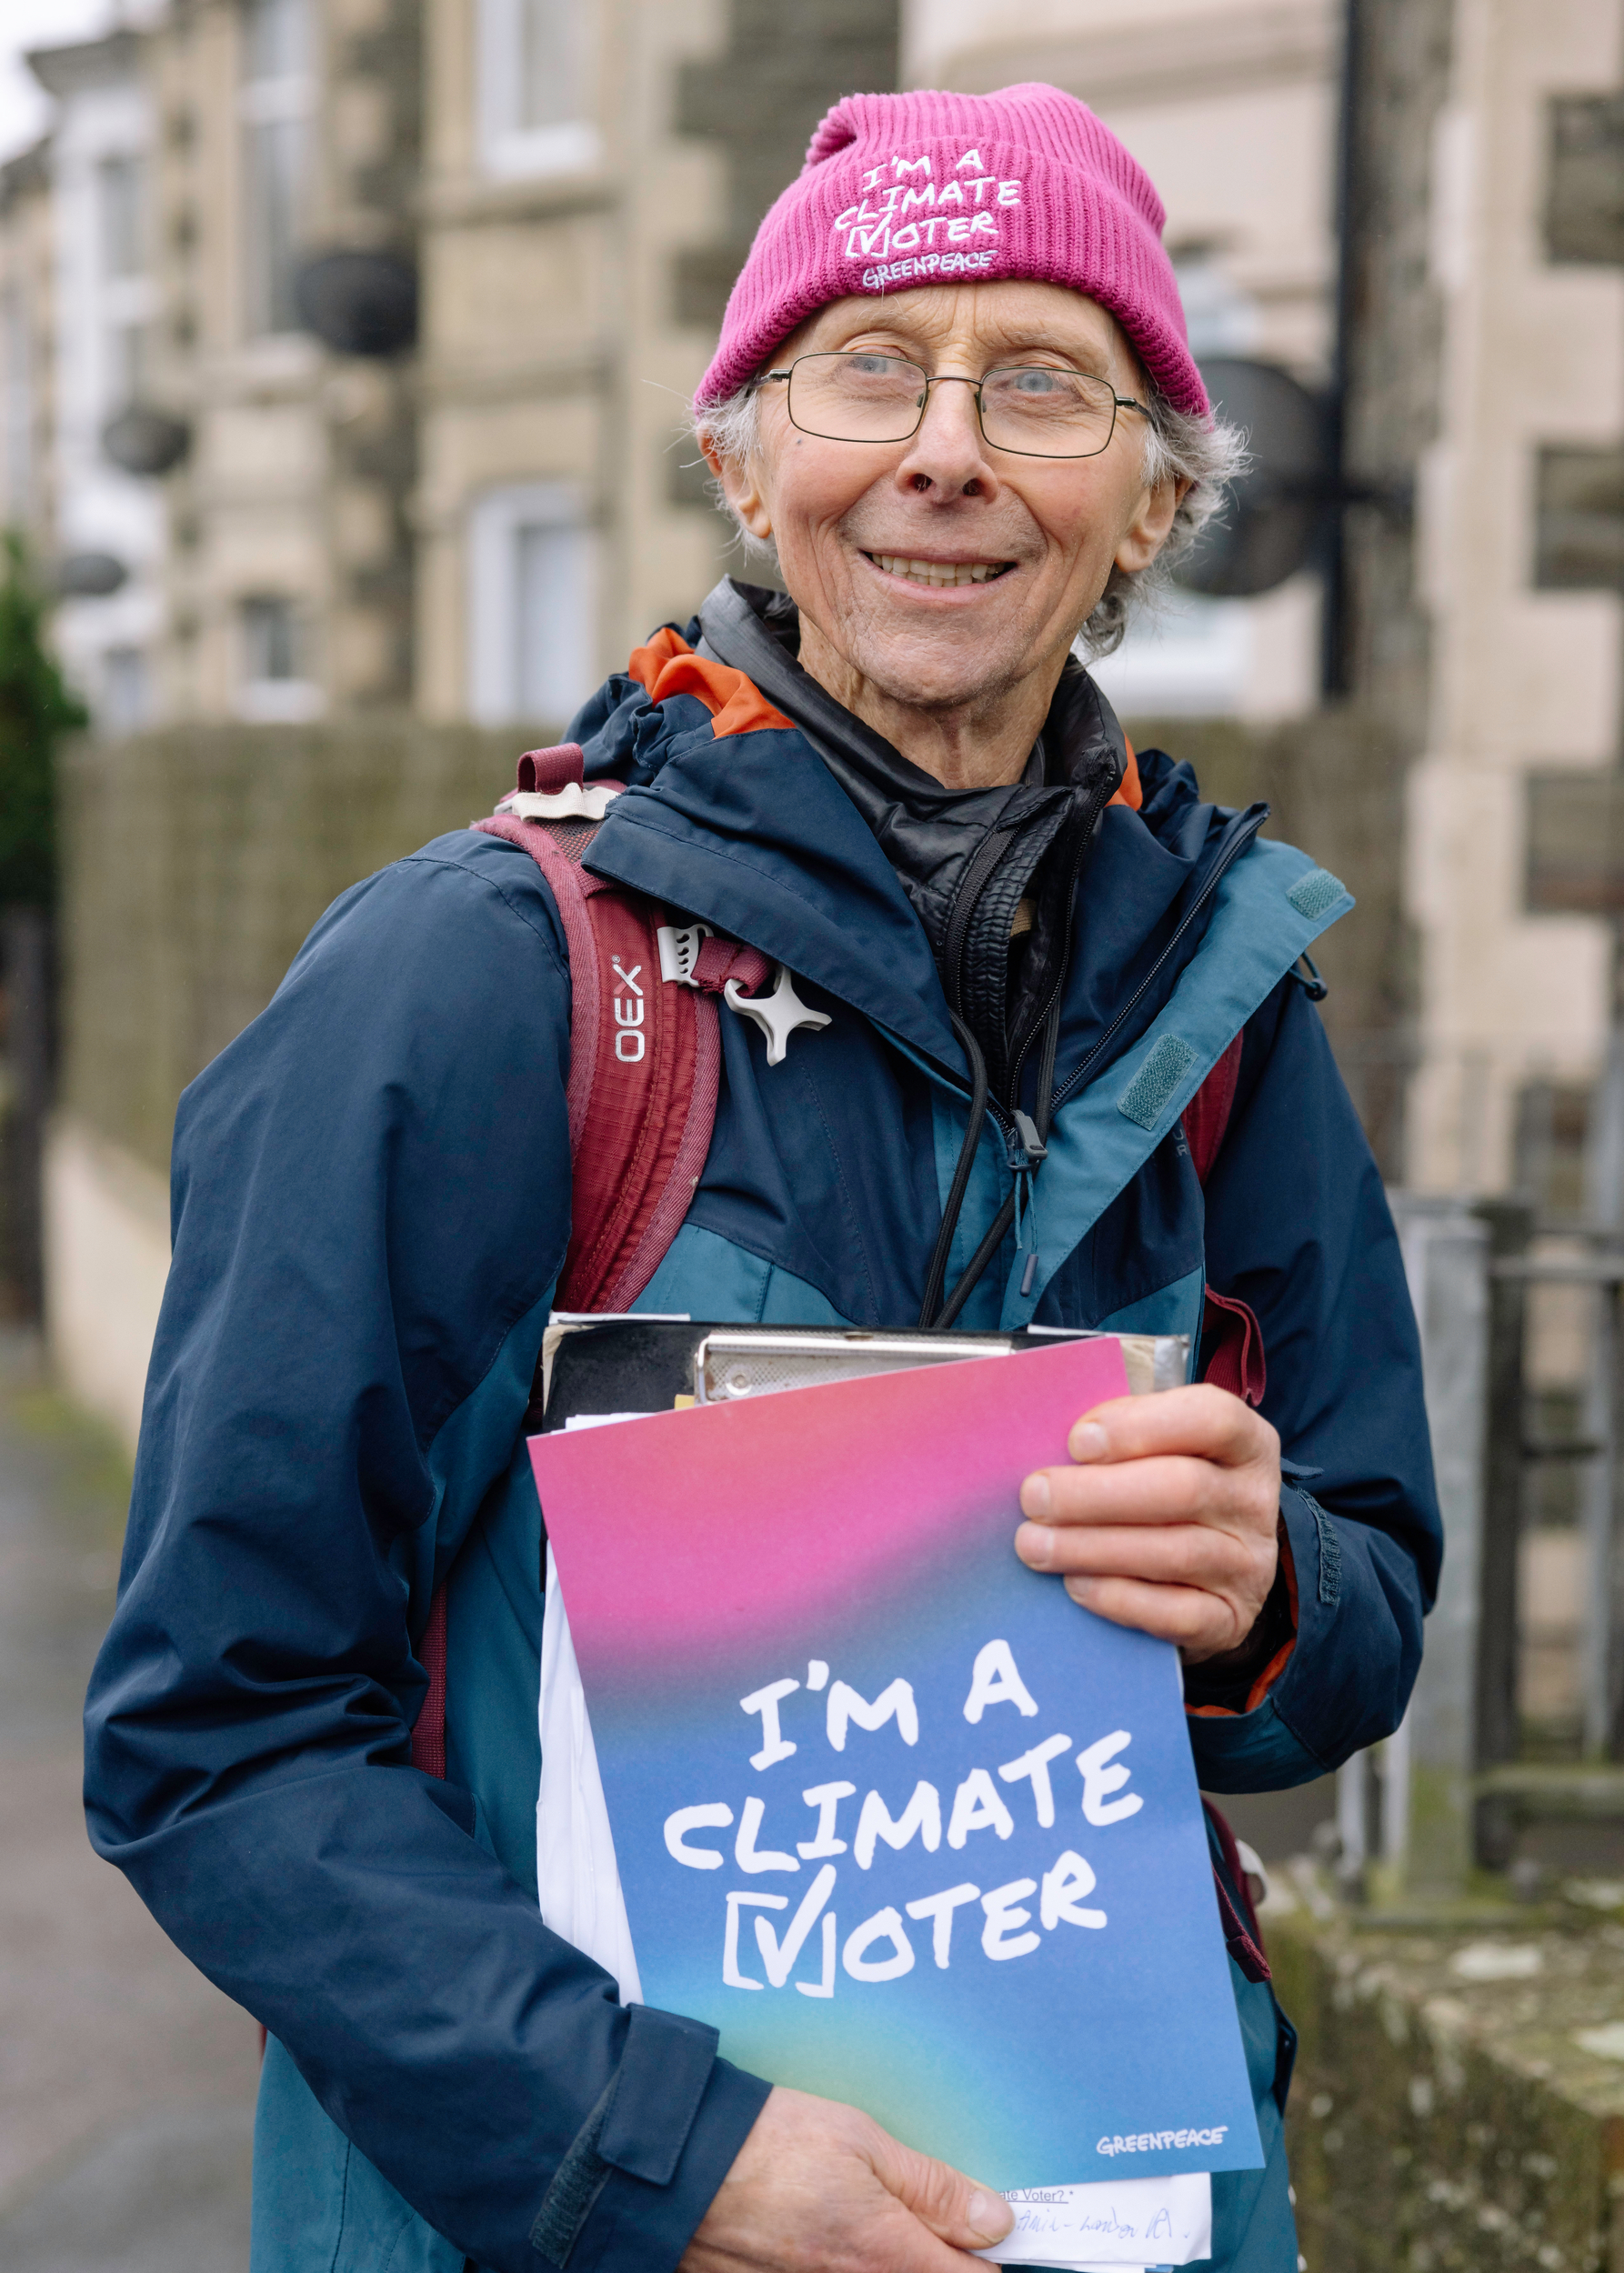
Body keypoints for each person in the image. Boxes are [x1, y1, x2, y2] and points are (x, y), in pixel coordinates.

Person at [84, 83, 1439, 2273]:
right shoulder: (477, 982)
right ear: (743, 455)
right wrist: (662, 2151)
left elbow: (1361, 1594)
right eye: (868, 367)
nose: (943, 449)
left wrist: (1262, 1579)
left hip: (1107, 2211)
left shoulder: (1220, 1000)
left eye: (1042, 385)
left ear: (1147, 511)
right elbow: (216, 1729)